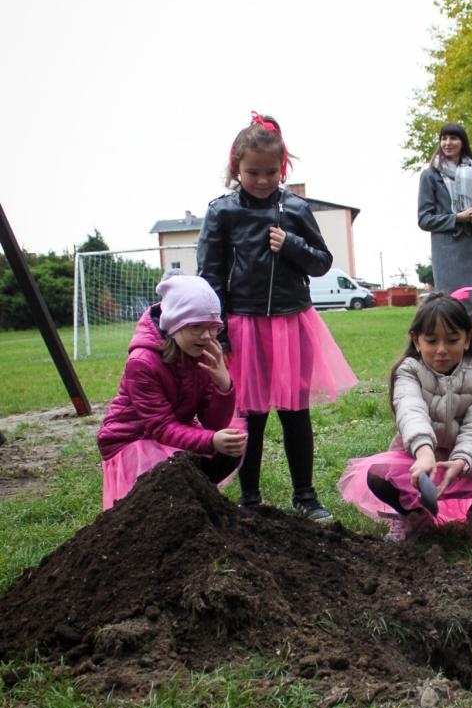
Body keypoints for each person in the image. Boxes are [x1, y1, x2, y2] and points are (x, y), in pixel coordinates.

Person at [196, 112, 357, 520]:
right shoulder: (222, 212)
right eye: (253, 172)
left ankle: (305, 495)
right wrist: (221, 333)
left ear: (281, 168)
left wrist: (290, 245)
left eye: (271, 172)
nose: (263, 180)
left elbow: (322, 262)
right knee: (249, 414)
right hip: (243, 324)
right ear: (236, 167)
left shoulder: (296, 208)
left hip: (290, 322)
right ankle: (249, 498)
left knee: (295, 412)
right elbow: (209, 275)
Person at [338, 292, 472, 545]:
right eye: (432, 340)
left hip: (466, 459)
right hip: (416, 458)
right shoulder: (408, 371)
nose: (442, 350)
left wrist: (462, 461)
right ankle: (412, 516)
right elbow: (410, 410)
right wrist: (424, 453)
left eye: (453, 340)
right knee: (375, 475)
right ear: (416, 340)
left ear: (467, 339)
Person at [97, 274, 247, 509]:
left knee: (229, 451)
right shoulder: (142, 362)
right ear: (174, 324)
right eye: (196, 326)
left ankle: (193, 504)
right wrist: (210, 440)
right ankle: (169, 508)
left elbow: (213, 422)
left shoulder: (201, 353)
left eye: (213, 328)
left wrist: (223, 384)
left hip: (170, 437)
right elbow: (160, 427)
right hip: (133, 442)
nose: (207, 336)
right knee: (172, 467)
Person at [417, 122, 472, 317]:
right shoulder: (430, 175)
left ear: (462, 142)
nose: (448, 143)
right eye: (444, 138)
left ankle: (470, 347)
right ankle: (464, 346)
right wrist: (458, 218)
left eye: (453, 138)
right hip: (448, 255)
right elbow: (424, 219)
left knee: (471, 313)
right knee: (454, 310)